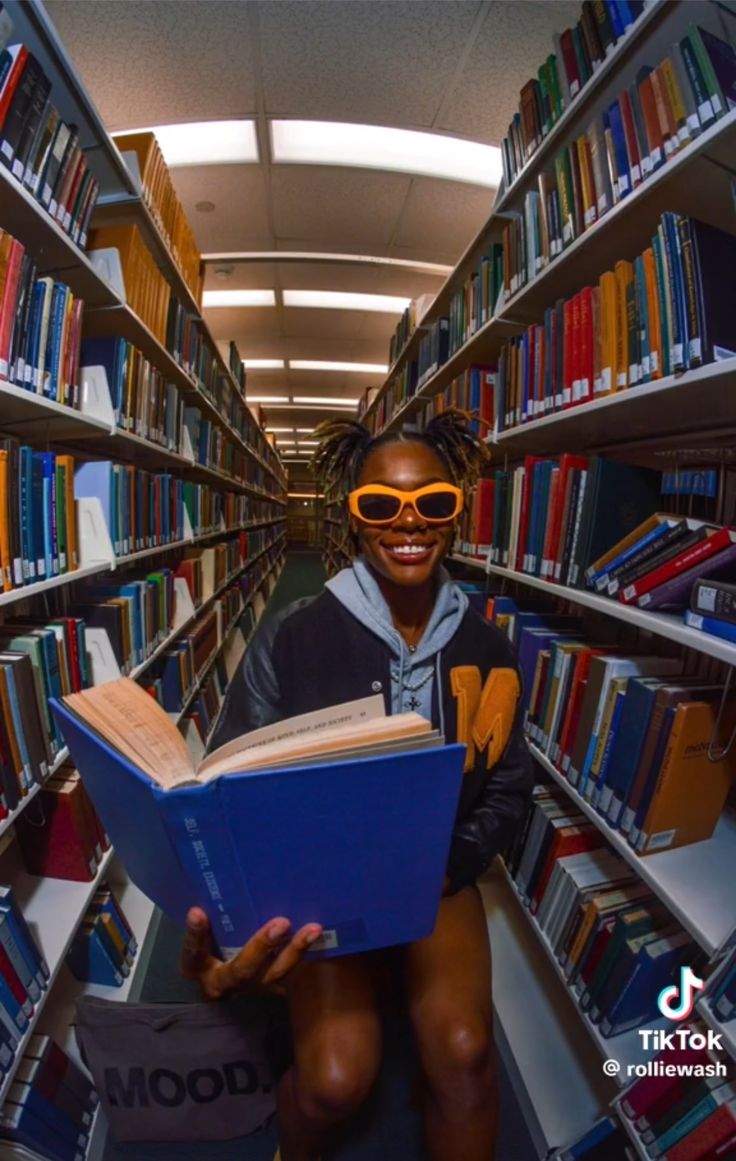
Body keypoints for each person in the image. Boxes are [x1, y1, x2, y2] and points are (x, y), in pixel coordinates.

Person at [183, 409, 533, 1161]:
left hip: (440, 872)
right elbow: (239, 787)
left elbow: (510, 791)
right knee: (335, 1080)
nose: (409, 521)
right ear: (352, 514)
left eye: (433, 501)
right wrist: (237, 917)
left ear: (457, 509)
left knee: (468, 1055)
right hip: (323, 880)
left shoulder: (491, 648)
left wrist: (448, 862)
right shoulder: (295, 634)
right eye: (381, 504)